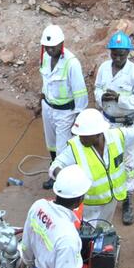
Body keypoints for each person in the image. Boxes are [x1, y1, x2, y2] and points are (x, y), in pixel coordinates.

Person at [47, 108, 134, 225]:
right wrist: (62, 176)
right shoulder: (75, 147)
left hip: (111, 200)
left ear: (98, 134)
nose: (80, 138)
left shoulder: (117, 137)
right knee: (87, 232)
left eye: (84, 135)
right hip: (90, 205)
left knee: (104, 228)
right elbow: (56, 165)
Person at [19, 165, 93, 268]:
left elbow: (26, 247)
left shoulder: (38, 206)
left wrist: (29, 264)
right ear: (80, 199)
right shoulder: (68, 237)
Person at [94, 30, 134, 226]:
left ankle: (127, 200)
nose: (117, 58)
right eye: (114, 53)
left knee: (128, 161)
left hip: (126, 124)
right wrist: (103, 97)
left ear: (128, 53)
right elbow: (97, 88)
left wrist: (120, 99)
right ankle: (107, 192)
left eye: (122, 54)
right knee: (106, 157)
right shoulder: (103, 68)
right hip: (107, 121)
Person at [35, 24, 88, 190]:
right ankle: (53, 172)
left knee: (62, 148)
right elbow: (46, 82)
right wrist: (40, 102)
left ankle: (63, 181)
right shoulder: (45, 58)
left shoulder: (72, 63)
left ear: (61, 44)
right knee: (50, 143)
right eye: (47, 47)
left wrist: (77, 120)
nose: (50, 50)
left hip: (65, 112)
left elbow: (81, 95)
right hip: (48, 107)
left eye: (53, 47)